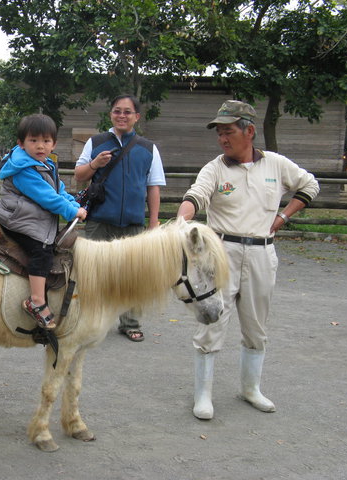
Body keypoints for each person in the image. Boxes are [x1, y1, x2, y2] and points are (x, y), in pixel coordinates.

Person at [177, 100, 320, 419]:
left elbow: (309, 185)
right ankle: (203, 395)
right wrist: (182, 222)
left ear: (249, 131)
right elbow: (196, 195)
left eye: (228, 132)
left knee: (256, 324)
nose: (223, 139)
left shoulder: (276, 165)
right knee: (212, 320)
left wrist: (283, 216)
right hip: (222, 252)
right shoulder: (214, 167)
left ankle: (250, 388)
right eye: (220, 134)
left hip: (261, 252)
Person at [74, 94, 166, 342]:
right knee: (92, 272)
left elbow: (153, 186)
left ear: (137, 116)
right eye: (117, 111)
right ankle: (90, 322)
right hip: (99, 221)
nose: (121, 116)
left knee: (133, 275)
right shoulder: (96, 142)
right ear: (110, 114)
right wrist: (95, 163)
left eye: (127, 112)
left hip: (133, 223)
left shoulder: (147, 148)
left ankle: (130, 323)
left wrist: (154, 222)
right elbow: (79, 176)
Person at [0, 114, 87, 330]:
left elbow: (58, 190)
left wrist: (74, 203)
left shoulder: (45, 164)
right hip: (16, 218)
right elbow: (48, 198)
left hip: (29, 214)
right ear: (21, 143)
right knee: (42, 249)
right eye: (33, 141)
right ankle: (36, 301)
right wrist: (72, 212)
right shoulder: (24, 169)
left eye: (46, 141)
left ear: (54, 144)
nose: (40, 146)